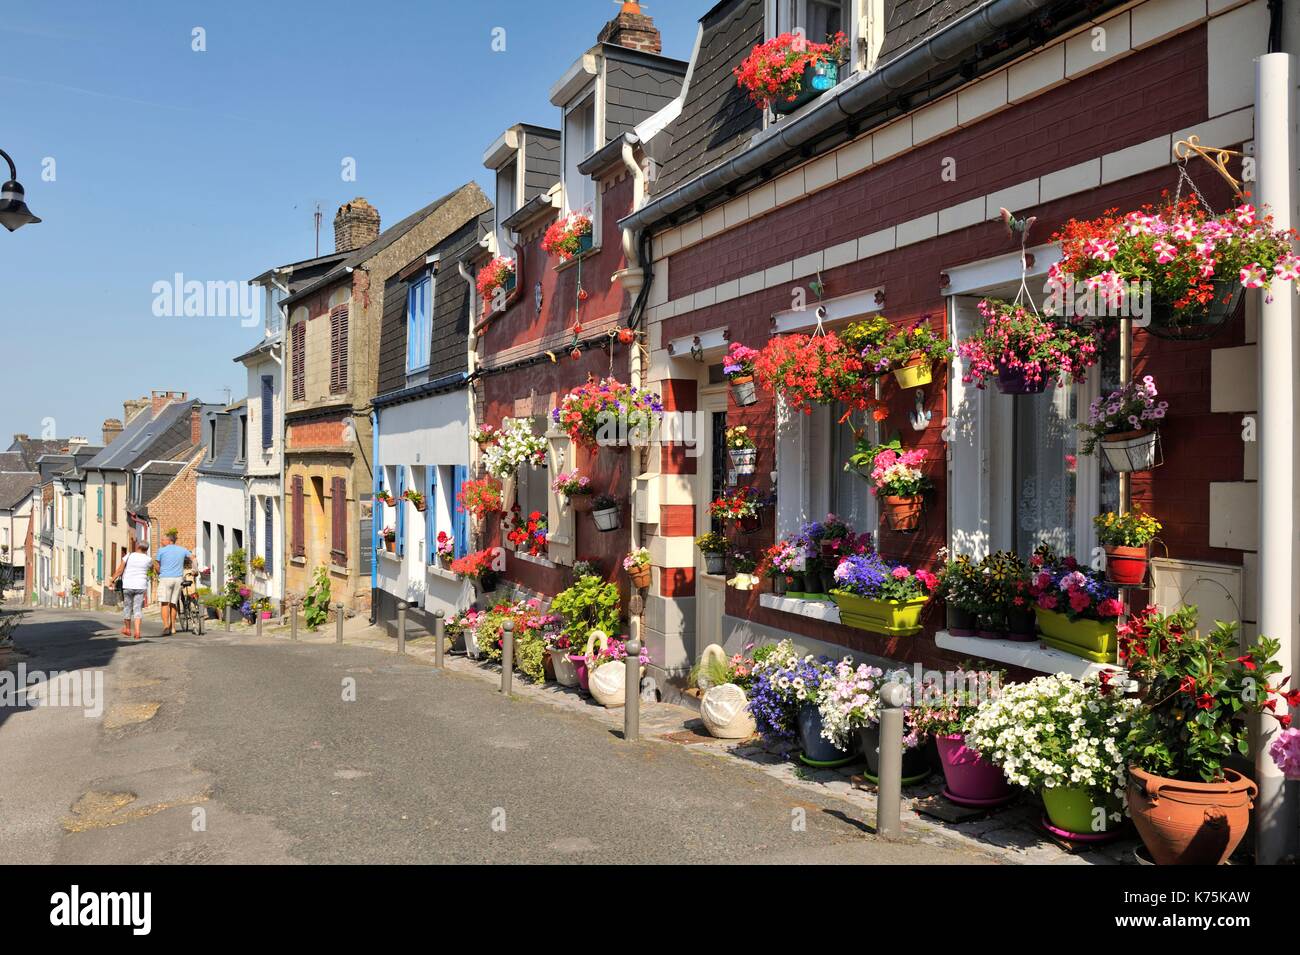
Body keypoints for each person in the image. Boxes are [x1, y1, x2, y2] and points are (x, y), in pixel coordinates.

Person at [112, 541, 152, 640]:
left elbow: (120, 570)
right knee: (137, 608)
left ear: (138, 546)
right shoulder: (148, 559)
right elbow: (152, 568)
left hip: (128, 585)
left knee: (127, 607)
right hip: (141, 586)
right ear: (146, 549)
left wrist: (112, 579)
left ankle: (128, 629)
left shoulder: (129, 556)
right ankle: (137, 632)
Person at [154, 532, 192, 636]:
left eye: (163, 540)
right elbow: (193, 557)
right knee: (173, 603)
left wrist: (159, 572)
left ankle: (166, 626)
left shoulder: (161, 550)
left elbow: (156, 565)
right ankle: (173, 628)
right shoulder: (182, 549)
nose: (161, 542)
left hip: (166, 578)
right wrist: (195, 569)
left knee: (165, 603)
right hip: (178, 579)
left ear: (169, 541)